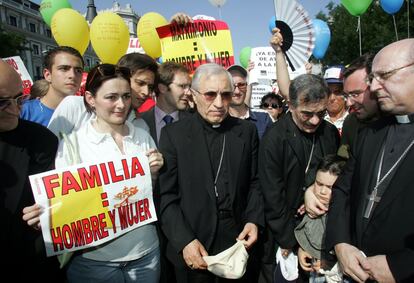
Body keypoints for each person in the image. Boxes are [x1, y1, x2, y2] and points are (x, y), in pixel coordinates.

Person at [23, 63, 164, 282]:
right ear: (90, 98)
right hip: (94, 261)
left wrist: (154, 172)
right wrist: (46, 214)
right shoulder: (73, 143)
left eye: (126, 96)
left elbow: (147, 193)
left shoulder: (143, 134)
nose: (121, 105)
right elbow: (65, 200)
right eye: (112, 97)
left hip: (146, 253)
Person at [158, 63, 264, 283]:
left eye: (226, 95)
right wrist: (184, 241)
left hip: (237, 242)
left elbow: (255, 183)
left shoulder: (246, 131)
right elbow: (166, 196)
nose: (219, 103)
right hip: (194, 243)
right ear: (194, 95)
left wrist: (254, 220)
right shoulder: (173, 135)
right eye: (210, 95)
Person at [325, 39, 414, 283]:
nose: (374, 87)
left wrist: (402, 266)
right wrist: (341, 243)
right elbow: (343, 190)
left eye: (384, 75)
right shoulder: (370, 133)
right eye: (373, 78)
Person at [258, 74, 340, 283]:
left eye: (321, 113)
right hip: (285, 233)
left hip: (322, 230)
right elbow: (272, 197)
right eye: (307, 114)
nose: (315, 120)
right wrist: (295, 242)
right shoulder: (274, 139)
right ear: (291, 106)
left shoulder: (329, 132)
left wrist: (314, 190)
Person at [0, 60, 63, 280]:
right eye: (2, 103)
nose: (16, 110)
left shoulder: (42, 140)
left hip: (31, 262)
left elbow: (49, 199)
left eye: (20, 99)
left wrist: (46, 213)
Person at [47, 52, 156, 138]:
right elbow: (47, 153)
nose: (146, 92)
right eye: (140, 83)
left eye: (150, 87)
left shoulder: (141, 126)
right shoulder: (74, 106)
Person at [294, 155, 346, 282]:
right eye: (319, 184)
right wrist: (301, 249)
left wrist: (330, 262)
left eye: (329, 187)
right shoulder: (308, 206)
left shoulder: (344, 215)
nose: (322, 191)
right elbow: (303, 229)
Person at [20, 46, 84, 126]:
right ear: (48, 75)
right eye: (64, 68)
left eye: (78, 71)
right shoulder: (24, 112)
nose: (72, 75)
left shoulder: (87, 112)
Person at [338, 53, 380, 159]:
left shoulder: (402, 123)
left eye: (355, 94)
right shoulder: (350, 122)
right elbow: (343, 160)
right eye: (346, 95)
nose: (348, 103)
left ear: (376, 85)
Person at [141, 61, 192, 145]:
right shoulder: (141, 122)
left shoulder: (193, 120)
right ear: (162, 88)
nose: (188, 92)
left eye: (189, 86)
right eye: (182, 86)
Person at [227, 64, 272, 139]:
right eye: (232, 86)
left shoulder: (264, 119)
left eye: (241, 85)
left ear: (246, 86)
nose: (237, 91)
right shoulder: (219, 121)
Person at [323, 66, 348, 134]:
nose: (332, 98)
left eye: (337, 92)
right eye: (328, 92)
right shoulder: (316, 119)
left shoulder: (355, 119)